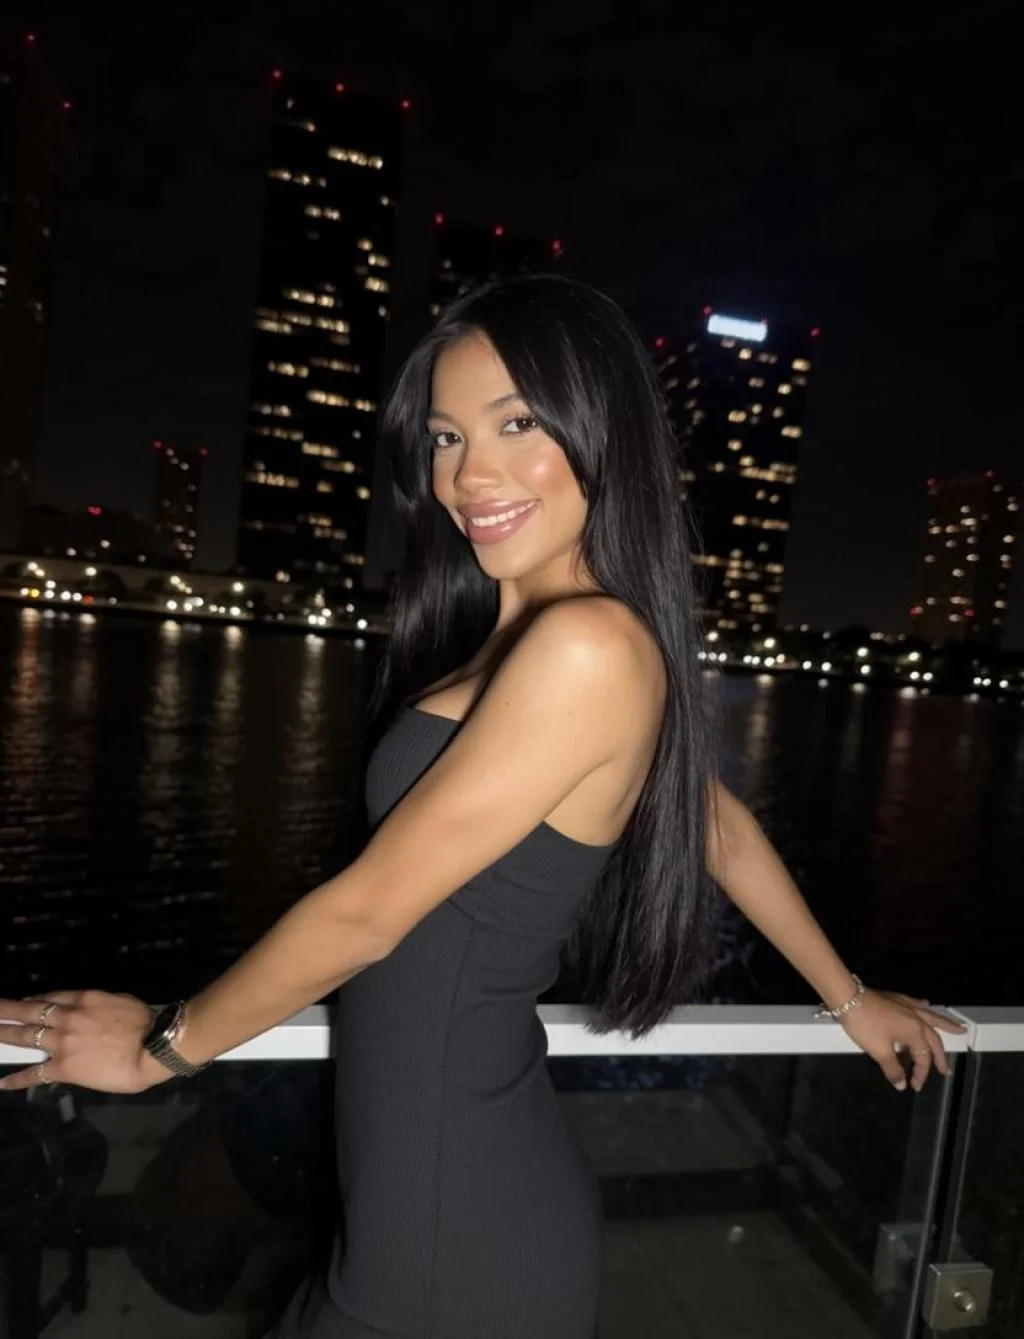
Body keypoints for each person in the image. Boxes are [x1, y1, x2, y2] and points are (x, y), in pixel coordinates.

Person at [0, 275, 965, 1338]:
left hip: (452, 1243)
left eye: (517, 423)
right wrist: (848, 993)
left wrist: (159, 1049)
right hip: (429, 1204)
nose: (468, 474)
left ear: (603, 433)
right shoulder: (529, 642)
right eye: (446, 436)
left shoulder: (588, 647)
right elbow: (713, 822)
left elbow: (367, 914)